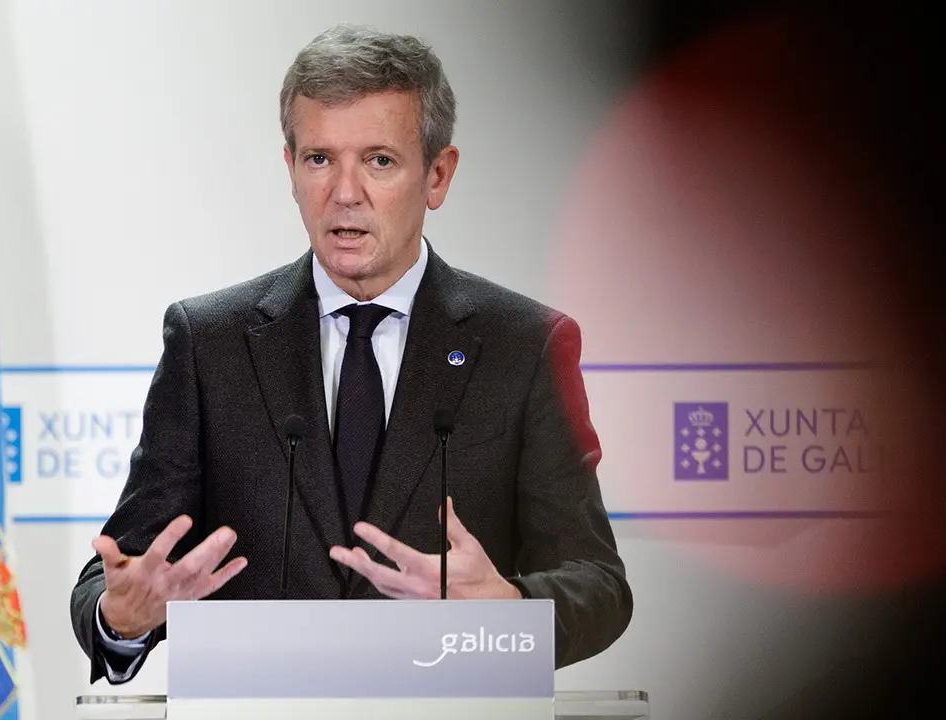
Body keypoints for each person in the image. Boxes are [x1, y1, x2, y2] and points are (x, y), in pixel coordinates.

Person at [70, 22, 632, 684]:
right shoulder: (210, 343)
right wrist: (124, 615)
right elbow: (115, 581)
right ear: (290, 169)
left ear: (438, 175)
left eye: (379, 160)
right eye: (319, 159)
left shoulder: (523, 347)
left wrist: (511, 609)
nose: (344, 193)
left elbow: (599, 586)